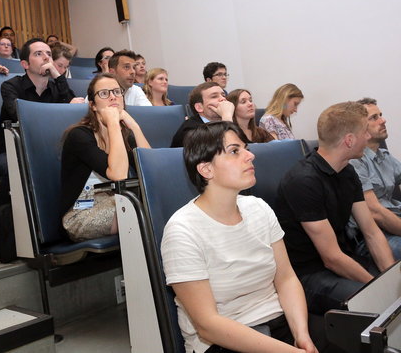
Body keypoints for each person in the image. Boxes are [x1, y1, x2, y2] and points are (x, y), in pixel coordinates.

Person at [161, 121, 317, 353]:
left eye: (246, 148)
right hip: (224, 340)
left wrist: (301, 335)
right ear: (206, 170)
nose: (250, 156)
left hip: (279, 323)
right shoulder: (182, 230)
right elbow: (207, 325)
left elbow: (285, 279)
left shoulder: (259, 208)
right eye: (235, 151)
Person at [276, 102, 395, 315]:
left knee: (395, 286)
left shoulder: (348, 173)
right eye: (364, 133)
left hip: (343, 260)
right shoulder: (303, 181)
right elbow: (331, 258)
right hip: (310, 275)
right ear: (349, 140)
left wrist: (390, 278)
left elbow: (371, 231)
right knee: (380, 304)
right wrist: (381, 288)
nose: (368, 138)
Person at [60, 73, 150, 241]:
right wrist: (114, 123)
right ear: (93, 105)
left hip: (118, 202)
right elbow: (118, 175)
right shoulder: (79, 135)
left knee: (151, 202)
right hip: (81, 211)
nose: (112, 97)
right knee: (142, 208)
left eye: (117, 92)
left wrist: (135, 127)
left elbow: (150, 170)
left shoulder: (125, 135)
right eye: (104, 93)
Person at [0, 38, 82, 176]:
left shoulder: (57, 88)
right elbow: (22, 117)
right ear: (25, 64)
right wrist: (62, 111)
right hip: (14, 151)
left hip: (50, 149)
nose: (46, 58)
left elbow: (73, 111)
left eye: (49, 54)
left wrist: (57, 75)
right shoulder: (11, 86)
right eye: (39, 54)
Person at [347, 98, 401, 259]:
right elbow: (375, 213)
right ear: (359, 128)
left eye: (381, 115)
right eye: (374, 118)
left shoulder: (383, 156)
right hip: (374, 235)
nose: (383, 120)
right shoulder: (354, 162)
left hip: (394, 222)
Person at [171, 82, 234, 148]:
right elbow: (222, 149)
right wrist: (227, 117)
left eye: (223, 95)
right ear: (199, 107)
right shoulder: (190, 130)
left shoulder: (227, 120)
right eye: (214, 96)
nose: (223, 99)